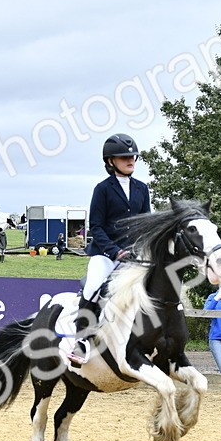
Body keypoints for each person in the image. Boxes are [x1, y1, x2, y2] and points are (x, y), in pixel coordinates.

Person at [69, 133, 151, 364]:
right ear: (110, 161)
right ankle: (81, 340)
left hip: (133, 255)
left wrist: (142, 248)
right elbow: (95, 226)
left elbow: (145, 223)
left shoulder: (142, 188)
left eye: (133, 157)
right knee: (93, 286)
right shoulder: (103, 189)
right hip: (105, 254)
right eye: (124, 157)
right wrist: (115, 251)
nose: (130, 160)